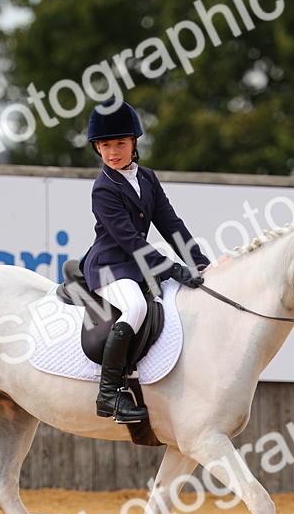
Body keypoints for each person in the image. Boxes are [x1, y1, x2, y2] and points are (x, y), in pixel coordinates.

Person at [80, 99, 210, 423]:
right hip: (109, 265)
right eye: (106, 145)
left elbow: (171, 224)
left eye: (120, 143)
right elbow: (130, 240)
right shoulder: (103, 189)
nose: (113, 152)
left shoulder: (148, 178)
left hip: (137, 264)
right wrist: (172, 268)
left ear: (133, 142)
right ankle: (109, 394)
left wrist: (200, 263)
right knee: (136, 308)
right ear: (97, 147)